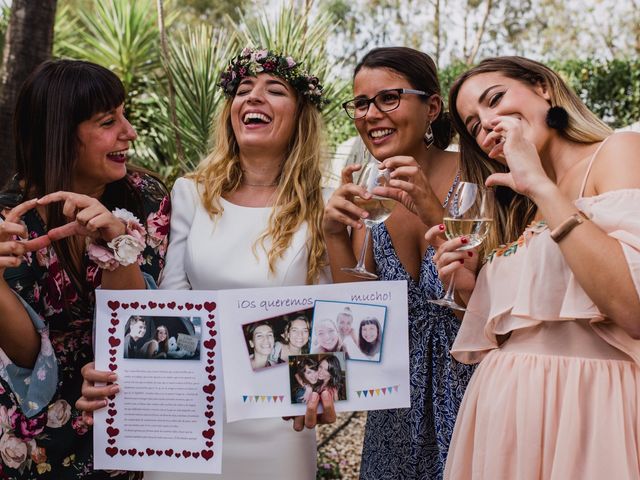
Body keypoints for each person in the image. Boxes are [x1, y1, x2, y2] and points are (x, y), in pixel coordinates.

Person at [78, 47, 336, 479]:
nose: (253, 98)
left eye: (274, 90)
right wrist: (119, 369)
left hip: (279, 424)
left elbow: (329, 322)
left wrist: (329, 389)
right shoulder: (190, 193)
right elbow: (168, 308)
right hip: (188, 422)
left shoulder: (324, 204)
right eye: (242, 90)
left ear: (300, 116)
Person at [427, 56, 640, 479]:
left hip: (587, 407)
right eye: (473, 124)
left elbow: (631, 308)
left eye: (495, 99)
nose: (486, 123)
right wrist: (469, 286)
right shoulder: (516, 207)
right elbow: (515, 330)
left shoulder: (618, 151)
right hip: (502, 413)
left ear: (543, 86)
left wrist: (539, 184)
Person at [0, 59, 170, 479]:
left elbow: (140, 323)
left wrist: (119, 243)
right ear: (59, 135)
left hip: (120, 422)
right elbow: (24, 351)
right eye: (109, 121)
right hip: (34, 437)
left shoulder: (146, 198)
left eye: (124, 115)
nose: (129, 132)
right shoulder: (8, 220)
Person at [323, 46, 475, 478]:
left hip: (471, 392)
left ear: (431, 107)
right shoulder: (368, 195)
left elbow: (492, 301)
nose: (371, 114)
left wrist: (433, 212)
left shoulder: (477, 175)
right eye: (361, 103)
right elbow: (355, 313)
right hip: (394, 410)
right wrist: (334, 231)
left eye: (388, 98)